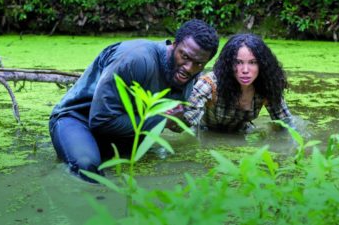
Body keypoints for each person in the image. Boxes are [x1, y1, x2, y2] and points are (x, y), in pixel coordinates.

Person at [49, 19, 219, 181]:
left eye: (198, 64)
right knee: (87, 169)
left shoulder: (190, 76)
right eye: (185, 57)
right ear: (174, 44)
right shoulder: (136, 59)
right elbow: (100, 120)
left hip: (122, 131)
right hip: (78, 119)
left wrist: (176, 119)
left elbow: (169, 118)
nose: (189, 68)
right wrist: (162, 120)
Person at [183, 33, 295, 134]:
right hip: (206, 134)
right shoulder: (210, 84)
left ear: (262, 64)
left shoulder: (267, 86)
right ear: (228, 64)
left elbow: (287, 124)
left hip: (242, 134)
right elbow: (187, 118)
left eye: (252, 62)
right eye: (238, 62)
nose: (245, 70)